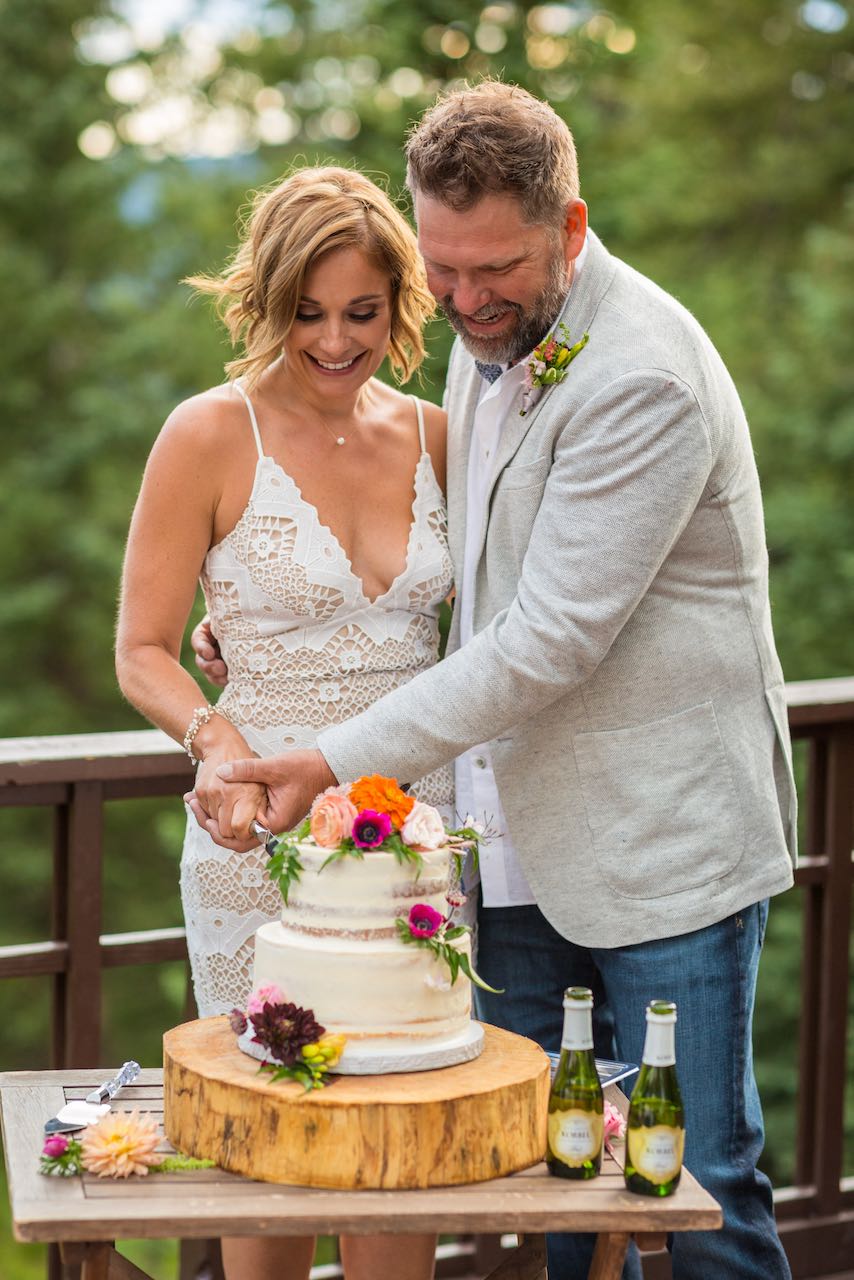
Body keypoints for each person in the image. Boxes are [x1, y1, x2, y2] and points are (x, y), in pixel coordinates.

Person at [191, 83, 798, 1279]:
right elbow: (458, 563)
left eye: (496, 268)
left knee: (695, 1184)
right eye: (445, 268)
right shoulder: (491, 344)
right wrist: (252, 622)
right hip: (507, 848)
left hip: (659, 845)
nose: (464, 300)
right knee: (549, 1185)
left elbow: (548, 639)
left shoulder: (641, 376)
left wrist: (328, 756)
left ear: (568, 228)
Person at [115, 165, 452, 1280]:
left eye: (361, 311)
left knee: (394, 1154)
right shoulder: (207, 433)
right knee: (271, 1149)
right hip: (255, 832)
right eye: (306, 311)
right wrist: (213, 738)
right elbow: (143, 647)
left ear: (399, 301)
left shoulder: (443, 436)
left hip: (414, 845)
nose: (333, 339)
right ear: (264, 298)